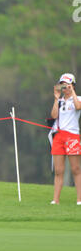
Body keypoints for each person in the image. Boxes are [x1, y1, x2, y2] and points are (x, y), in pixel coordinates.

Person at [50, 73, 81, 205]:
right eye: (63, 85)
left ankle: (79, 199)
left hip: (72, 136)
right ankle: (55, 200)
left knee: (75, 169)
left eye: (67, 85)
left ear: (73, 85)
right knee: (58, 170)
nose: (65, 88)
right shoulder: (60, 100)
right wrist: (56, 99)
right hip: (59, 136)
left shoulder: (78, 98)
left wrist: (72, 91)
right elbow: (53, 115)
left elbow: (78, 107)